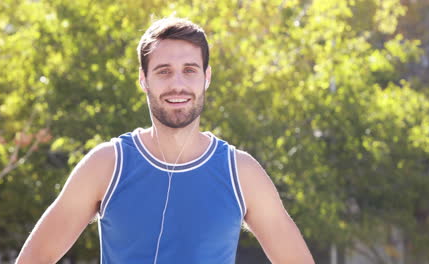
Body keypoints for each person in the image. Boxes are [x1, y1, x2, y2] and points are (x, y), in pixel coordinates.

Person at [16, 17, 315, 264]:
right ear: (143, 79)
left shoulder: (242, 173)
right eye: (163, 72)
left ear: (206, 77)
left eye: (189, 70)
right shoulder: (107, 164)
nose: (177, 85)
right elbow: (33, 259)